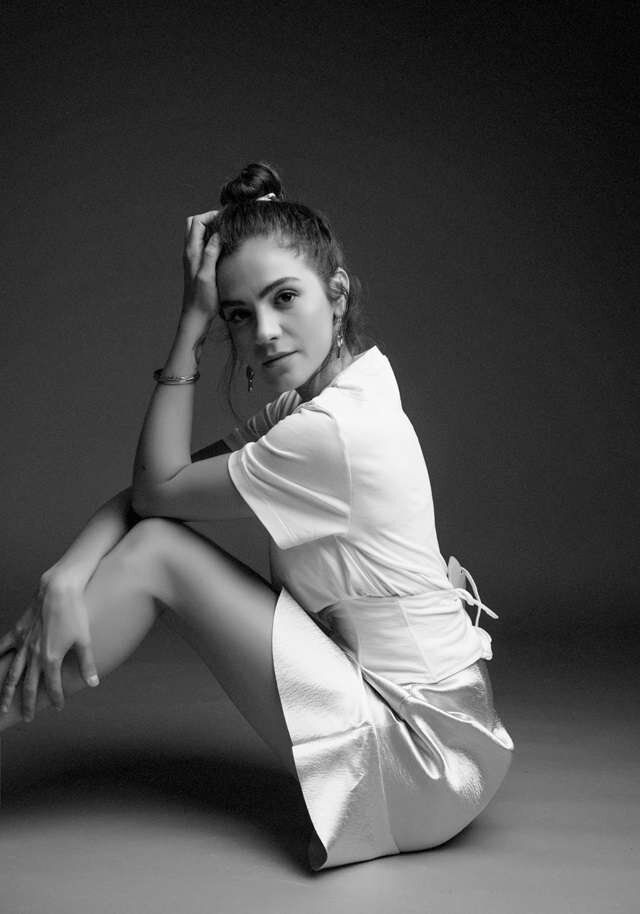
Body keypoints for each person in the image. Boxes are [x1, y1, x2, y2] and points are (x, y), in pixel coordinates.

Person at [0, 161, 514, 871]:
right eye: (238, 314)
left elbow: (154, 494)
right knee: (155, 541)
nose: (265, 332)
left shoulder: (330, 433)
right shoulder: (335, 392)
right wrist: (66, 573)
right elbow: (152, 492)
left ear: (337, 295)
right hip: (446, 729)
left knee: (157, 555)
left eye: (285, 297)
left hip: (423, 758)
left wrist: (190, 322)